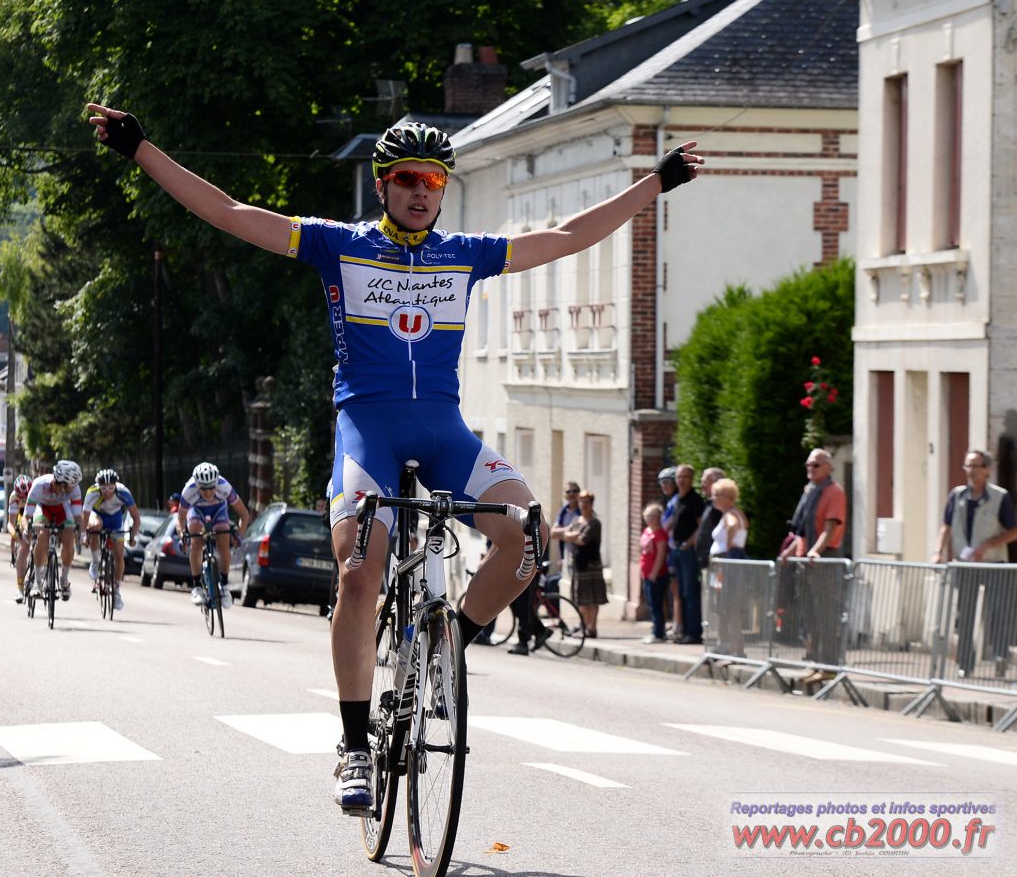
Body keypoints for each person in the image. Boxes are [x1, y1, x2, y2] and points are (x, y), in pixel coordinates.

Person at [87, 102, 701, 814]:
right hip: (368, 435)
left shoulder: (464, 254)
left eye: (433, 181)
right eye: (406, 177)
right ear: (382, 185)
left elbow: (566, 236)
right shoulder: (336, 245)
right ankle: (353, 745)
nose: (420, 190)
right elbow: (227, 210)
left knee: (524, 533)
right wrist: (142, 149)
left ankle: (448, 648)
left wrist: (655, 181)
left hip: (445, 434)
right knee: (357, 572)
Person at [931, 450, 1017, 678]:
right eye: (968, 466)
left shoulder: (1000, 497)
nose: (971, 471)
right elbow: (946, 527)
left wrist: (988, 545)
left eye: (976, 466)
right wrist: (938, 551)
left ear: (987, 470)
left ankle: (1000, 656)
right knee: (965, 614)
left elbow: (1013, 531)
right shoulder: (957, 496)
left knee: (997, 613)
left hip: (994, 564)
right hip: (965, 565)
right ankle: (966, 664)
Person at [780, 448, 848, 668]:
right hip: (806, 558)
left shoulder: (834, 492)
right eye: (808, 465)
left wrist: (816, 551)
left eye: (816, 465)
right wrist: (789, 553)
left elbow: (830, 527)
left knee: (826, 613)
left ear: (828, 468)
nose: (810, 469)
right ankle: (817, 661)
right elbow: (802, 531)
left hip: (824, 557)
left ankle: (829, 664)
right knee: (810, 614)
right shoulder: (810, 491)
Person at [178, 462, 251, 609]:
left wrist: (239, 536)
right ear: (197, 486)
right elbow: (180, 520)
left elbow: (244, 515)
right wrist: (182, 536)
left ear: (217, 483)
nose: (208, 492)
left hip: (218, 510)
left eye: (211, 487)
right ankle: (197, 586)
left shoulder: (225, 487)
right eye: (203, 489)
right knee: (196, 538)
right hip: (197, 511)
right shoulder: (188, 491)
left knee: (223, 541)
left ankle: (224, 586)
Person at [15, 460, 84, 602]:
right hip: (43, 508)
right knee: (42, 534)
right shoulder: (39, 485)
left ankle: (64, 580)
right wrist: (27, 528)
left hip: (62, 509)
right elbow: (26, 516)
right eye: (72, 485)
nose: (75, 488)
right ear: (62, 483)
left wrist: (82, 534)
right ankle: (38, 582)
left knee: (69, 535)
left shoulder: (75, 489)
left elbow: (78, 516)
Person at [80, 468, 142, 613]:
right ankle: (95, 562)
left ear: (116, 485)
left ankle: (117, 591)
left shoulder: (123, 493)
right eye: (103, 488)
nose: (107, 492)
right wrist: (84, 535)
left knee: (119, 556)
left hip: (115, 520)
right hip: (98, 516)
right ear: (98, 487)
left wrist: (132, 536)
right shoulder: (92, 492)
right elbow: (85, 517)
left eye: (110, 488)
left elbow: (136, 518)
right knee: (95, 526)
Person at [708, 477, 749, 656]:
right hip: (729, 561)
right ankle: (730, 647)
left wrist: (730, 544)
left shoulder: (730, 515)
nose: (712, 498)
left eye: (715, 495)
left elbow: (733, 526)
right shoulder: (737, 512)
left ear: (725, 496)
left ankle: (733, 649)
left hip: (727, 563)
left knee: (728, 607)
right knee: (728, 607)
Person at [669, 465, 706, 645]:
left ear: (691, 479)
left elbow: (701, 526)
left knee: (690, 592)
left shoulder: (695, 500)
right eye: (678, 477)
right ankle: (683, 631)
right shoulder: (678, 500)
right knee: (681, 593)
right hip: (677, 550)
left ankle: (694, 632)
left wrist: (688, 543)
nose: (681, 480)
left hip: (687, 552)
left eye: (685, 477)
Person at [567, 491, 606, 638]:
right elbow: (560, 533)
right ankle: (584, 627)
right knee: (581, 599)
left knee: (592, 599)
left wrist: (570, 535)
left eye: (586, 502)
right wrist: (571, 535)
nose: (584, 505)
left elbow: (582, 540)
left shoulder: (595, 522)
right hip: (578, 564)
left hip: (592, 564)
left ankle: (592, 628)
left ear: (591, 504)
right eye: (581, 501)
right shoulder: (577, 520)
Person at [639, 503, 669, 644]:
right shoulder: (646, 531)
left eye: (653, 516)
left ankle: (658, 633)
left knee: (656, 604)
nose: (650, 519)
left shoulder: (660, 534)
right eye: (648, 515)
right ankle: (655, 629)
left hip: (656, 575)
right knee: (651, 604)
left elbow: (661, 554)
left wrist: (654, 572)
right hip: (646, 573)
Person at [658, 466, 682, 639]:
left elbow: (666, 525)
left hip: (675, 549)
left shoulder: (676, 501)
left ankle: (678, 624)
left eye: (667, 482)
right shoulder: (670, 502)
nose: (664, 486)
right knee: (673, 589)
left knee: (677, 590)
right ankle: (675, 622)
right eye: (662, 483)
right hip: (670, 550)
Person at [549, 481, 582, 593]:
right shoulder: (563, 511)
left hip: (580, 558)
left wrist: (562, 533)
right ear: (565, 495)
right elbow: (553, 533)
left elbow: (579, 533)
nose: (571, 494)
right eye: (568, 491)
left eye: (574, 491)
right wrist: (568, 529)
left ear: (579, 493)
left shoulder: (582, 511)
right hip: (565, 558)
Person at [693, 467, 725, 569]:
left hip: (714, 562)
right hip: (705, 561)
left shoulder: (719, 507)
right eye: (702, 481)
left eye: (706, 481)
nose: (702, 485)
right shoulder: (709, 504)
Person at [8, 474, 33, 601]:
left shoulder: (36, 493)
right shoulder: (13, 497)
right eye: (21, 497)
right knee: (23, 548)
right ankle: (20, 589)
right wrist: (15, 534)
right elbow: (10, 523)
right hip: (21, 517)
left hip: (34, 514)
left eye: (26, 496)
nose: (23, 499)